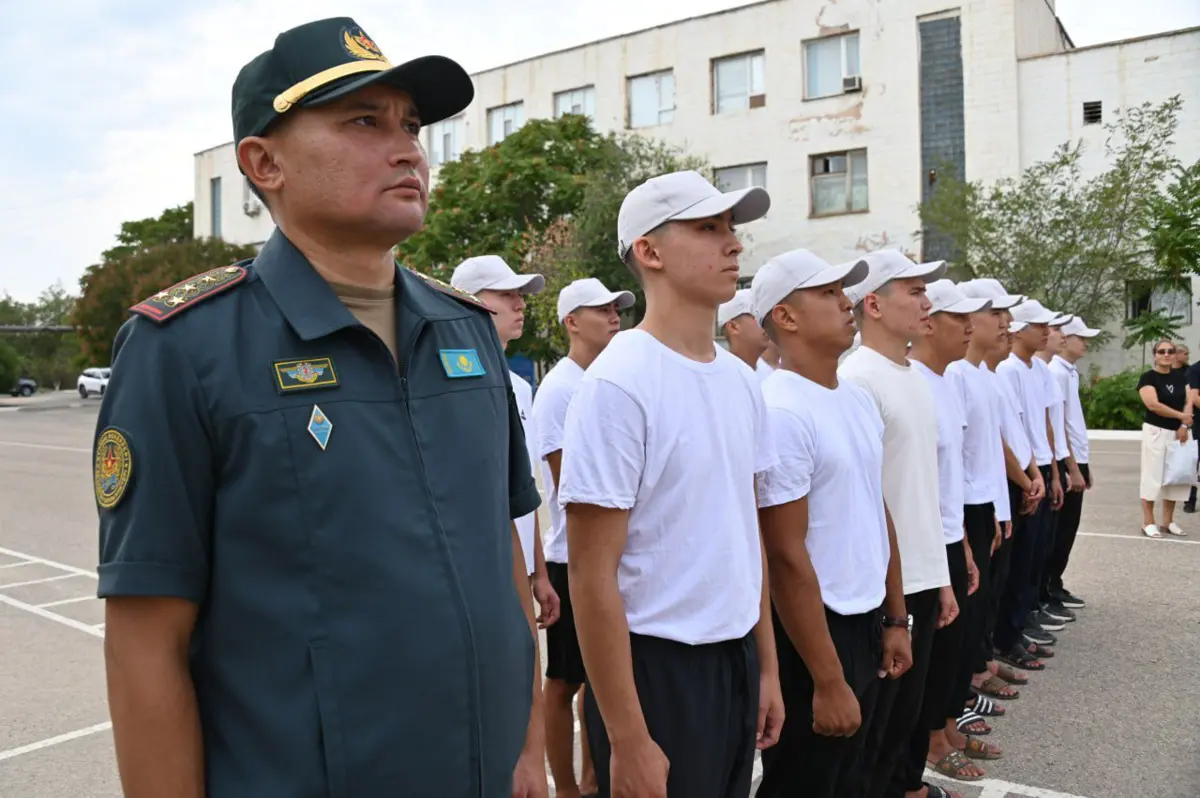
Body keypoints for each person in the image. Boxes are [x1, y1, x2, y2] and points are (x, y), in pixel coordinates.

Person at [93, 17, 550, 798]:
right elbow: (144, 638)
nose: (409, 149)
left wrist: (530, 746)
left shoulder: (466, 330)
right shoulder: (186, 348)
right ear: (264, 163)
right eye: (363, 122)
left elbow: (500, 558)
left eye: (411, 125)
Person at [558, 170, 783, 798]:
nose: (733, 244)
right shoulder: (619, 384)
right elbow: (589, 574)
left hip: (733, 656)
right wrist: (628, 737)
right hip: (657, 671)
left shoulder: (740, 380)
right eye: (709, 228)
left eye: (732, 229)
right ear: (649, 252)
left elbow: (746, 536)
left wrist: (765, 667)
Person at [749, 249, 912, 798]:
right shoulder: (782, 411)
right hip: (816, 633)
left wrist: (896, 617)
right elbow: (785, 557)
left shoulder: (853, 399)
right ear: (786, 318)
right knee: (807, 781)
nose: (846, 303)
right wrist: (827, 678)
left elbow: (876, 507)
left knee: (854, 777)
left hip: (864, 622)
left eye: (843, 291)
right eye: (827, 293)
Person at [837, 250, 957, 798]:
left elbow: (919, 488)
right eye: (913, 290)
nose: (926, 301)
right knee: (873, 732)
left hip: (922, 574)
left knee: (903, 721)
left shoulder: (912, 376)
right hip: (888, 587)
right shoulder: (858, 378)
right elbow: (865, 500)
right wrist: (896, 606)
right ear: (874, 304)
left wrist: (942, 576)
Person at [532, 277, 634, 798]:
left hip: (609, 557)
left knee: (599, 679)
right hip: (574, 558)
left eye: (617, 308)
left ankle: (597, 780)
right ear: (572, 321)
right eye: (601, 310)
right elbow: (571, 487)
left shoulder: (605, 378)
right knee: (568, 679)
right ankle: (570, 788)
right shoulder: (561, 389)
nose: (614, 316)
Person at [909, 281, 1000, 785]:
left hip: (949, 531)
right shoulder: (915, 380)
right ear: (928, 323)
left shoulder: (943, 382)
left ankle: (946, 727)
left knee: (952, 648)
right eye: (957, 318)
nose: (968, 326)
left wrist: (962, 543)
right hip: (921, 541)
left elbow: (949, 477)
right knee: (930, 657)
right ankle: (932, 741)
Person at [451, 254, 561, 626]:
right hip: (478, 574)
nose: (520, 303)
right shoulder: (446, 384)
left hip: (520, 569)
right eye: (505, 293)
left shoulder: (518, 387)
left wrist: (539, 573)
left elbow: (522, 489)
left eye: (520, 294)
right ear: (467, 300)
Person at [950, 279, 1031, 700]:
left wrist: (1001, 509)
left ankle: (977, 668)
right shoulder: (956, 374)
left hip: (986, 503)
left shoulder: (981, 374)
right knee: (964, 610)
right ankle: (963, 685)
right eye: (994, 314)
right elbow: (958, 457)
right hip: (964, 506)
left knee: (984, 602)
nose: (1005, 323)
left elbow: (990, 448)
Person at [995, 299, 1068, 671]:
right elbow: (1010, 433)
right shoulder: (1006, 371)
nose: (1047, 331)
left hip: (1034, 470)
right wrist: (1029, 478)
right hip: (1018, 475)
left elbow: (1043, 426)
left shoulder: (1036, 370)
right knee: (1014, 563)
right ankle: (1006, 636)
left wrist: (1051, 472)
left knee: (1032, 557)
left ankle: (1020, 623)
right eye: (1038, 324)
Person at [1045, 316, 1101, 607]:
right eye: (1081, 337)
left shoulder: (1069, 371)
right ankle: (1049, 587)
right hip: (1067, 460)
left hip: (1076, 457)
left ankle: (1055, 583)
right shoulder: (1055, 372)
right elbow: (1059, 424)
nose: (1085, 343)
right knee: (1060, 530)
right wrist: (1073, 467)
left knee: (1068, 528)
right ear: (1065, 338)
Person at [1137, 339, 1192, 537]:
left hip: (1179, 432)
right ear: (1155, 355)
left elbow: (1188, 401)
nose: (1166, 354)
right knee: (1153, 476)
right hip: (1156, 431)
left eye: (1171, 351)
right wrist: (1180, 417)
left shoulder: (1180, 377)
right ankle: (1148, 522)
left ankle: (1168, 522)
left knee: (1175, 477)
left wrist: (1184, 424)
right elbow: (1153, 404)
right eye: (1162, 351)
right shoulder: (1148, 378)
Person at [718, 288, 770, 370]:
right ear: (733, 327)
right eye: (756, 314)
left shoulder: (768, 372)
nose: (765, 321)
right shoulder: (722, 374)